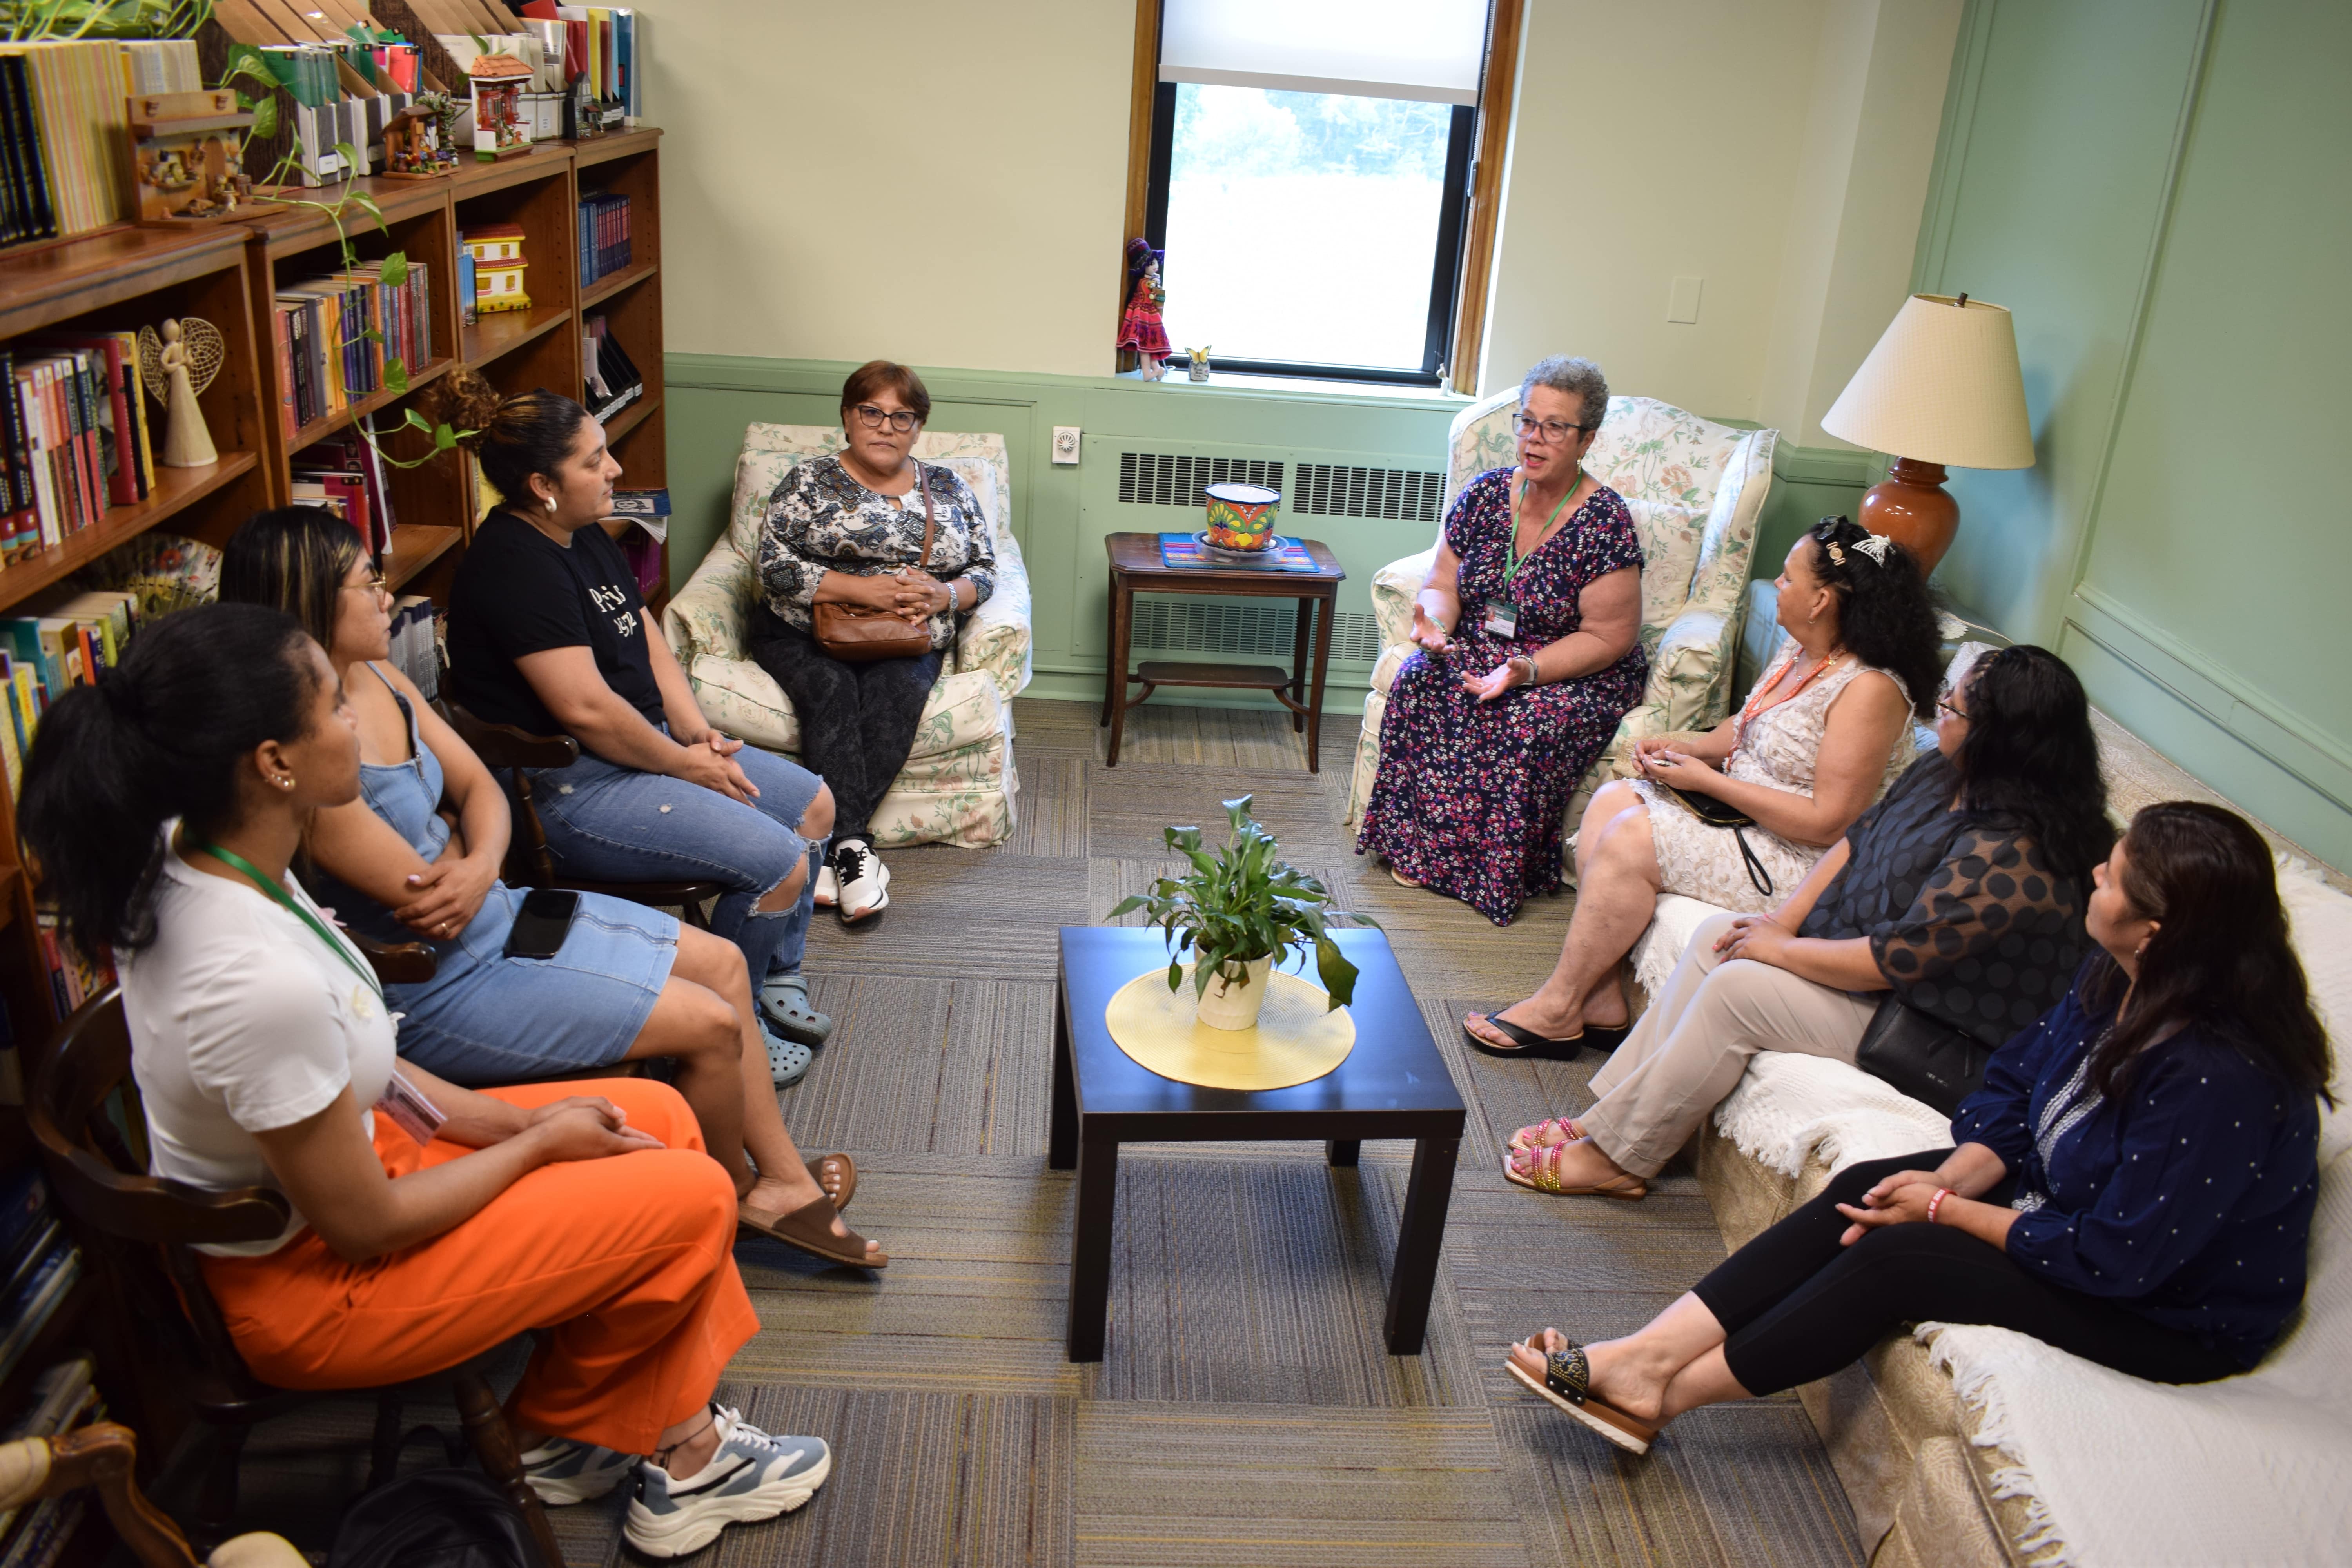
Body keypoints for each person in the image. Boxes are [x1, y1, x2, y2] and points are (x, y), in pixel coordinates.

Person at [17, 603, 835, 1557]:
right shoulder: (254, 978)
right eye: (332, 708)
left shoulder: (225, 858)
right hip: (320, 1289)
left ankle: (594, 1425)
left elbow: (369, 1055)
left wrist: (506, 1124)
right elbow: (364, 1226)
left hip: (364, 1157)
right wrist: (534, 1142)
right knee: (694, 1191)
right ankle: (680, 1462)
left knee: (648, 1107)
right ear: (273, 761)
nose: (353, 724)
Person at [1499, 800, 2329, 1456]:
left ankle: (1659, 1393)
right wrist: (1957, 1173)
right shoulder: (2120, 975)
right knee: (1870, 1185)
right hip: (2062, 1199)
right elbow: (2015, 1077)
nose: (2094, 875)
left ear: (2155, 931)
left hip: (2167, 1310)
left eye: (2112, 877)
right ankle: (1645, 1351)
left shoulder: (2222, 1079)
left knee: (1899, 1253)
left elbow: (2118, 1256)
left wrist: (1945, 1211)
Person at [220, 508, 880, 1266]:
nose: (386, 595)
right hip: (446, 980)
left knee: (727, 969)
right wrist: (470, 850)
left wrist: (476, 847)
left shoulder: (378, 675)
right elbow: (427, 894)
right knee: (710, 1022)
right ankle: (734, 1190)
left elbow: (479, 789)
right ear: (305, 602)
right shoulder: (309, 757)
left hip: (499, 916)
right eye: (366, 582)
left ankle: (783, 1181)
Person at [1502, 645, 2111, 1199]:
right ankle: (1604, 1124)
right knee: (1725, 938)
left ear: (1999, 736)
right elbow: (1858, 839)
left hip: (1930, 1027)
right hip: (1868, 969)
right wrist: (1779, 922)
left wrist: (1779, 953)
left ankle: (1620, 1159)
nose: (1938, 715)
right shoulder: (1948, 772)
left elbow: (1891, 964)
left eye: (1952, 708)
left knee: (1738, 992)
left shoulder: (2015, 855)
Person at [436, 369, 837, 1063]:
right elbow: (586, 710)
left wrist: (692, 727)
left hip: (643, 747)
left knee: (815, 806)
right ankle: (730, 1030)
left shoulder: (582, 527)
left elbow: (640, 629)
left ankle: (776, 973)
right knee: (778, 865)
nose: (615, 468)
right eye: (594, 460)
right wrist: (690, 766)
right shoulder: (512, 565)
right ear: (542, 485)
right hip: (573, 786)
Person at [1465, 514, 1943, 1054]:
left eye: (1788, 579)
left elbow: (1829, 823)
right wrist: (1683, 746)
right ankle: (1599, 999)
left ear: (1821, 601)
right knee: (1610, 801)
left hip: (1803, 865)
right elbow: (1745, 726)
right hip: (1747, 824)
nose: (1778, 588)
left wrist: (1710, 786)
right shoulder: (1805, 651)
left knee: (1628, 838)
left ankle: (1557, 1006)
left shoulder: (1869, 690)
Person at [1355, 356, 1648, 925]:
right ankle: (1417, 848)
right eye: (1527, 421)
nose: (1534, 440)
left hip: (1571, 666)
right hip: (1485, 645)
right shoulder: (1486, 494)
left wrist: (1527, 670)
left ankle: (1487, 871)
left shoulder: (1604, 521)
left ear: (1586, 439)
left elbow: (1610, 636)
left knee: (1520, 718)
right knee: (1419, 681)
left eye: (1555, 427)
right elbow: (1443, 582)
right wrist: (1436, 626)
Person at [745, 360, 996, 924]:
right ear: (847, 417)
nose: (885, 426)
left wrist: (945, 596)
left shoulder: (949, 487)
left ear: (917, 427)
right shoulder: (807, 482)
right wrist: (869, 592)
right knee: (830, 690)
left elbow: (984, 569)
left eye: (900, 416)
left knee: (896, 696)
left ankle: (834, 852)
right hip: (802, 630)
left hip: (907, 638)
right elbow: (774, 568)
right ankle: (854, 848)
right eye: (871, 412)